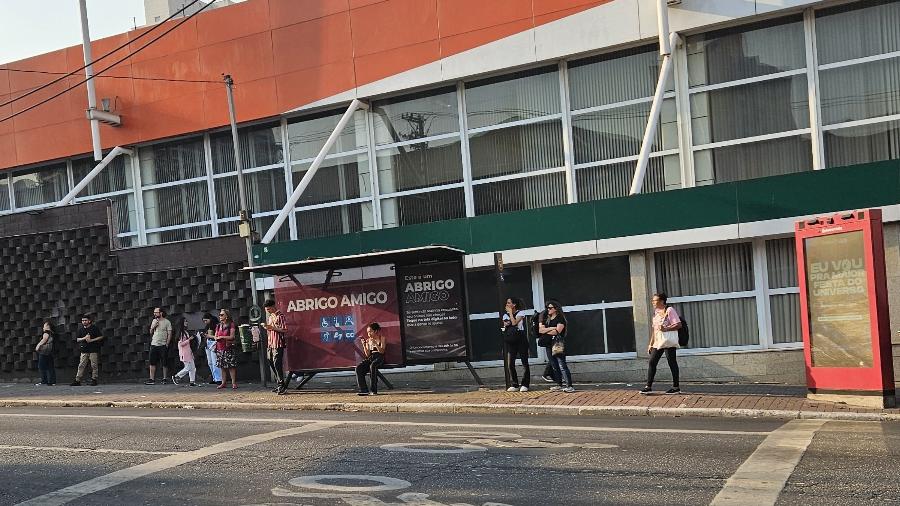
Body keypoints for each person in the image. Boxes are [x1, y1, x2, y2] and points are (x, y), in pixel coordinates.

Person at [641, 292, 682, 395]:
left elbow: (678, 325)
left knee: (672, 363)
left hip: (668, 341)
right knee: (652, 362)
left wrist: (666, 328)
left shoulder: (670, 310)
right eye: (653, 300)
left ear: (662, 301)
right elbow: (655, 330)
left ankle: (676, 387)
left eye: (655, 300)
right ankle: (648, 386)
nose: (653, 302)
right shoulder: (656, 312)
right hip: (658, 341)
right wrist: (651, 344)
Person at [538, 300, 574, 393]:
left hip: (557, 343)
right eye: (547, 308)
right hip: (548, 344)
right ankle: (559, 384)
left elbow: (557, 331)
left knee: (562, 364)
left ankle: (569, 385)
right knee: (554, 365)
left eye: (550, 308)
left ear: (555, 309)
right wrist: (552, 328)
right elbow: (541, 330)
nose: (548, 310)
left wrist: (548, 330)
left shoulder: (560, 318)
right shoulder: (548, 318)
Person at [501, 297, 530, 392]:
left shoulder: (521, 313)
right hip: (511, 339)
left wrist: (510, 314)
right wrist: (509, 318)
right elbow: (506, 323)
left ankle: (525, 384)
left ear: (514, 305)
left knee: (524, 362)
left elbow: (513, 323)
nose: (507, 304)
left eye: (509, 303)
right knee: (510, 363)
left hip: (521, 339)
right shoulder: (505, 315)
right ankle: (515, 384)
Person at [262, 300, 288, 394]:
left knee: (277, 364)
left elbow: (284, 329)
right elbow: (271, 328)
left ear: (273, 307)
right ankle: (279, 384)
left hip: (278, 343)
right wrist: (267, 327)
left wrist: (272, 328)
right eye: (266, 310)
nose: (268, 311)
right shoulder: (270, 317)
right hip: (271, 343)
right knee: (271, 363)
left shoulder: (280, 316)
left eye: (269, 309)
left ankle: (282, 385)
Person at [71, 314, 103, 386]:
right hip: (84, 350)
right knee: (81, 365)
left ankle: (94, 379)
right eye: (82, 320)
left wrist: (92, 340)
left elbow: (101, 337)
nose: (84, 322)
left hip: (93, 349)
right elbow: (77, 339)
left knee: (94, 365)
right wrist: (84, 338)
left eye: (85, 320)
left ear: (89, 321)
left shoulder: (94, 328)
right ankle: (77, 380)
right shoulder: (81, 329)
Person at [355, 322, 386, 396]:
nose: (369, 334)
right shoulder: (368, 340)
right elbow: (367, 354)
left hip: (379, 357)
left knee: (373, 365)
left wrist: (375, 343)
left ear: (375, 331)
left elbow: (382, 351)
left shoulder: (382, 338)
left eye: (370, 331)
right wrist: (364, 345)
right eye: (367, 332)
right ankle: (363, 389)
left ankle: (373, 390)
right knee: (358, 368)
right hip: (371, 357)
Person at [145, 307, 172, 385]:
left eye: (156, 312)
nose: (154, 314)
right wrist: (154, 326)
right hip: (154, 344)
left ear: (161, 313)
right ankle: (151, 379)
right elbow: (150, 332)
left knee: (164, 362)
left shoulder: (167, 322)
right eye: (154, 312)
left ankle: (164, 378)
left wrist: (167, 343)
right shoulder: (154, 321)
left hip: (163, 345)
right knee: (152, 362)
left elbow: (169, 333)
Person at [214, 309, 238, 389]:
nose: (220, 316)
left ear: (226, 316)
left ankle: (233, 383)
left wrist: (222, 337)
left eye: (222, 315)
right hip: (220, 348)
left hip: (228, 347)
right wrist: (216, 338)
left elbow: (232, 336)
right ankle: (223, 382)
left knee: (231, 366)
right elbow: (216, 336)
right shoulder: (218, 326)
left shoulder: (231, 325)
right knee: (222, 366)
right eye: (220, 315)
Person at [202, 313, 221, 385]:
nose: (205, 322)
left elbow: (217, 336)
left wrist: (209, 336)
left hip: (214, 343)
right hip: (208, 344)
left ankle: (218, 378)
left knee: (214, 362)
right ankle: (214, 377)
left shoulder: (216, 325)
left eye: (206, 320)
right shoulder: (208, 326)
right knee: (210, 362)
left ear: (210, 319)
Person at [35, 321, 56, 386]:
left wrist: (38, 345)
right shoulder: (52, 333)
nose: (43, 327)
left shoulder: (46, 332)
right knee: (50, 367)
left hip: (44, 352)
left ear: (48, 326)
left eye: (44, 326)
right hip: (50, 352)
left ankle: (44, 381)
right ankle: (52, 382)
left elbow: (44, 339)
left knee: (41, 366)